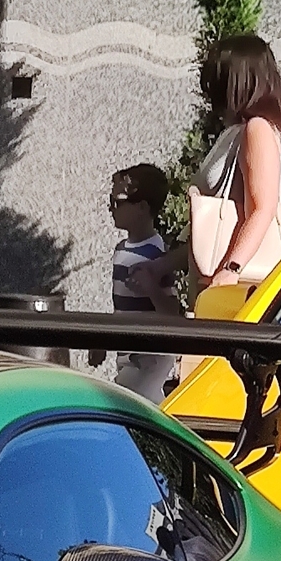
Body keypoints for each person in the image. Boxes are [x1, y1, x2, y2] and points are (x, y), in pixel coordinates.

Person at [194, 33, 281, 289]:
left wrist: (231, 269)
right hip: (215, 279)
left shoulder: (257, 129)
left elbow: (262, 209)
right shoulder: (240, 130)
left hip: (233, 284)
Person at [105, 162, 181, 402]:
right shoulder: (122, 250)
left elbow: (173, 315)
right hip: (128, 355)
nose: (111, 208)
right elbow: (121, 311)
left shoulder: (156, 256)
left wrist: (151, 288)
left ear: (142, 207)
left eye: (118, 201)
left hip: (148, 360)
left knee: (127, 405)